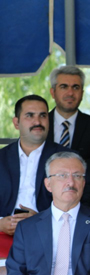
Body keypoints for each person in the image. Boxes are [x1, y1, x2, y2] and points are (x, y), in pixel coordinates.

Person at [0, 95, 64, 235]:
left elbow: (77, 205)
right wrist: (0, 224)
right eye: (30, 115)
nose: (37, 122)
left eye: (43, 116)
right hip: (3, 233)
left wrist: (41, 219)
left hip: (49, 233)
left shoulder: (66, 158)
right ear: (16, 123)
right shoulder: (1, 158)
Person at [46, 65, 90, 160]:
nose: (70, 93)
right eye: (64, 87)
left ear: (82, 93)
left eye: (75, 87)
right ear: (53, 92)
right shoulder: (40, 124)